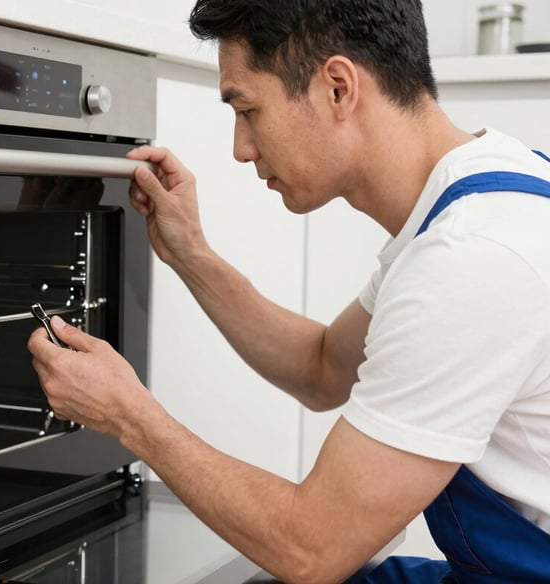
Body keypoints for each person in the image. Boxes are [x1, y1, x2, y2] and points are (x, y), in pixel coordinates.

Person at [28, 1, 550, 582]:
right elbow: (323, 367)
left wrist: (131, 417)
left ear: (337, 87)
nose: (240, 148)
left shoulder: (472, 260)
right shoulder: (481, 194)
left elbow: (313, 549)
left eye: (247, 110)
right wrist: (190, 254)